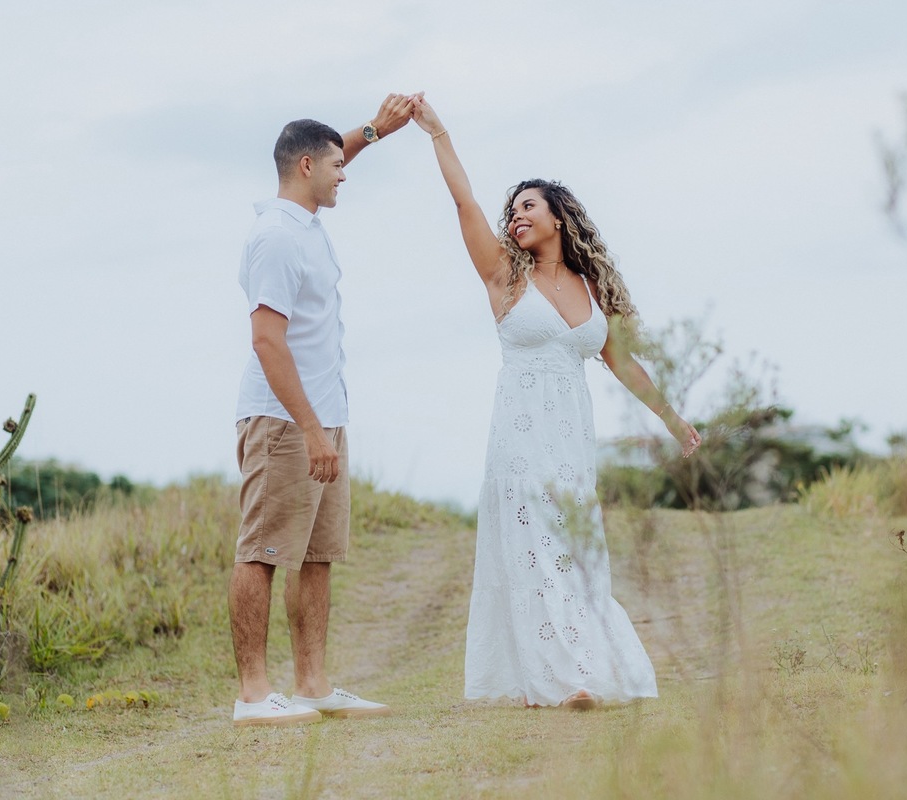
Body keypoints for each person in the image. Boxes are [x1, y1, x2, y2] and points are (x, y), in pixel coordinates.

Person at [410, 97, 702, 709]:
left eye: (528, 206)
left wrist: (672, 420)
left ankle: (583, 667)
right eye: (512, 209)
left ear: (559, 219)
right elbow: (464, 203)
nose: (515, 216)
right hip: (519, 434)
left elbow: (623, 363)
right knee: (535, 543)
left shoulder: (592, 288)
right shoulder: (504, 276)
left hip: (571, 437)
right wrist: (438, 133)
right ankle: (568, 680)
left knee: (575, 547)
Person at [229, 95, 415, 727]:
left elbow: (334, 148)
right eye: (337, 164)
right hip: (285, 421)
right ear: (306, 166)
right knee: (262, 551)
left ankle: (312, 683)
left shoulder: (305, 222)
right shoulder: (277, 237)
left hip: (322, 419)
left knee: (315, 555)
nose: (346, 172)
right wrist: (310, 430)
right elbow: (266, 339)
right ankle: (254, 694)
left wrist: (372, 131)